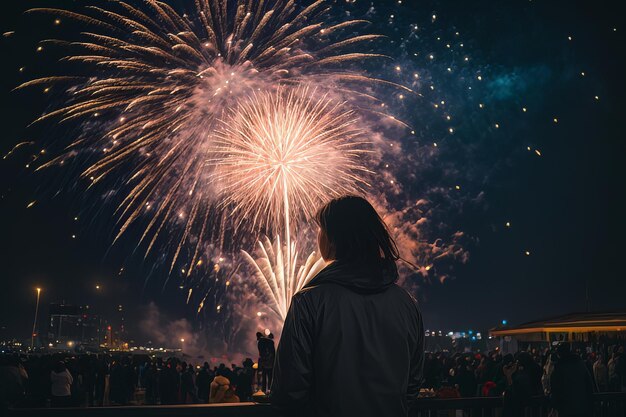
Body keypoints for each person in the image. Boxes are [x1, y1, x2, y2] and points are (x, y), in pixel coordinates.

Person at [271, 196, 425, 417]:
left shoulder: (308, 302)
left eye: (321, 230)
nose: (318, 237)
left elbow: (288, 391)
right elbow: (412, 385)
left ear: (334, 239)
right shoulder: (406, 304)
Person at [550, 343, 595, 417]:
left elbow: (555, 389)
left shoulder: (559, 368)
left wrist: (554, 404)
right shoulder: (580, 364)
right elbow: (589, 384)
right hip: (582, 407)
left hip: (566, 408)